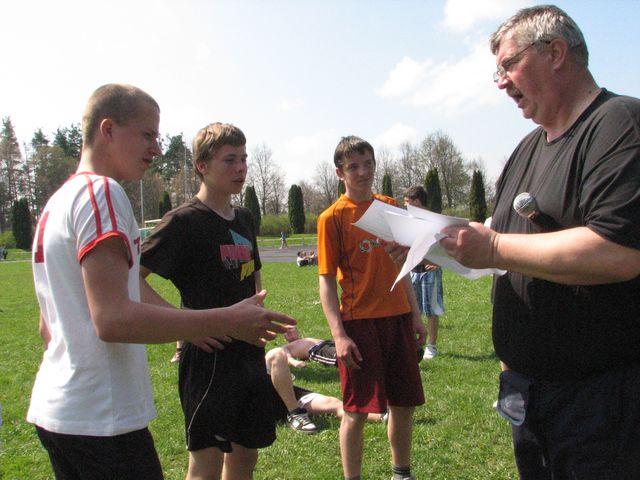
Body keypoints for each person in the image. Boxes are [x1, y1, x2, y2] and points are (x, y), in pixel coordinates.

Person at [27, 85, 294, 480]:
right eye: (147, 134)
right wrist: (220, 322)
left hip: (62, 411)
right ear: (108, 129)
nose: (156, 148)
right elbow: (112, 320)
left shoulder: (58, 202)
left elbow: (46, 325)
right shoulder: (102, 193)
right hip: (100, 415)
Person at [438, 5, 640, 479]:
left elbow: (618, 251)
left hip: (601, 400)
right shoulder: (526, 149)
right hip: (527, 392)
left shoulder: (619, 125)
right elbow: (506, 238)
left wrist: (492, 248)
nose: (501, 82)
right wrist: (434, 243)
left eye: (508, 64)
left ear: (555, 52)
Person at [139, 122, 281, 480]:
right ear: (201, 166)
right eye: (229, 160)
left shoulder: (244, 218)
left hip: (247, 352)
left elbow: (253, 274)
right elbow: (131, 278)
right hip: (208, 358)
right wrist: (186, 328)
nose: (240, 168)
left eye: (243, 159)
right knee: (206, 464)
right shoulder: (184, 221)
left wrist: (259, 316)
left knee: (246, 455)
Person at [317, 136, 426, 480]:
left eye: (368, 164)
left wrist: (415, 314)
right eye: (353, 167)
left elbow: (403, 263)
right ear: (340, 173)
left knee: (404, 404)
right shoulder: (332, 218)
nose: (363, 172)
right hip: (359, 324)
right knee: (356, 411)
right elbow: (325, 282)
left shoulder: (389, 206)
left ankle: (401, 473)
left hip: (397, 319)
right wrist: (339, 336)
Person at [266, 326, 384, 435]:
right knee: (276, 354)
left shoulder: (294, 344)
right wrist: (296, 362)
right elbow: (285, 357)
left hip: (286, 392)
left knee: (333, 403)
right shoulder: (283, 350)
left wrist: (294, 339)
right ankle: (295, 413)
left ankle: (383, 416)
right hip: (263, 392)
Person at [403, 186, 445, 360]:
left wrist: (438, 262)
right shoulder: (409, 221)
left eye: (407, 203)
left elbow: (445, 244)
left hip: (430, 273)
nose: (405, 206)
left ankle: (431, 346)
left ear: (417, 202)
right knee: (413, 309)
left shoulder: (434, 221)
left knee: (431, 309)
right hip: (413, 271)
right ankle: (414, 344)